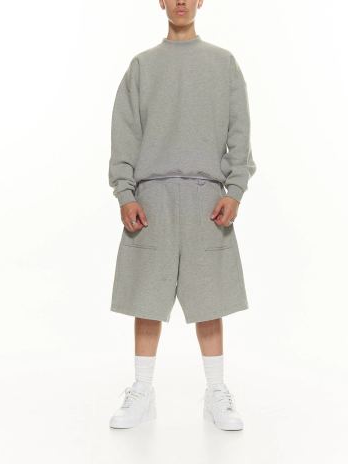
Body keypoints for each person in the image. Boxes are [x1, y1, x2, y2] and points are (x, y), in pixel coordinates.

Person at [108, 0, 256, 431]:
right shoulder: (142, 66)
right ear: (160, 1)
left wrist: (235, 190)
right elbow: (125, 133)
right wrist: (125, 194)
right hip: (151, 196)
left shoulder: (223, 64)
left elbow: (240, 132)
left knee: (210, 300)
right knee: (146, 300)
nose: (181, 2)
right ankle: (142, 389)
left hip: (206, 197)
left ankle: (216, 392)